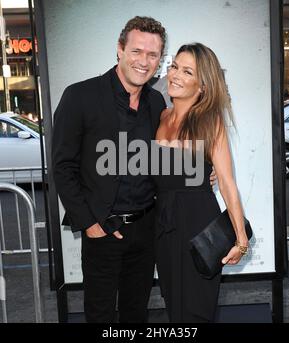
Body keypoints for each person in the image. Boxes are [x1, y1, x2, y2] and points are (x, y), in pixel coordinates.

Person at [52, 16, 216, 323]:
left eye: (153, 55)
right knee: (99, 315)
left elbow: (164, 155)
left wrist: (204, 169)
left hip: (147, 228)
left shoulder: (157, 103)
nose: (144, 61)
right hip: (102, 229)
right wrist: (89, 223)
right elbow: (62, 167)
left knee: (136, 313)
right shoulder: (80, 96)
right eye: (137, 51)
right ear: (120, 49)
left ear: (159, 59)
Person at [153, 43, 249, 323]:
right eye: (174, 67)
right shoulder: (161, 116)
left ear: (203, 85)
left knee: (196, 311)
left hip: (198, 226)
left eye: (187, 71)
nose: (175, 75)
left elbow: (228, 183)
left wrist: (241, 240)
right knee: (173, 306)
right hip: (163, 225)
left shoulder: (210, 121)